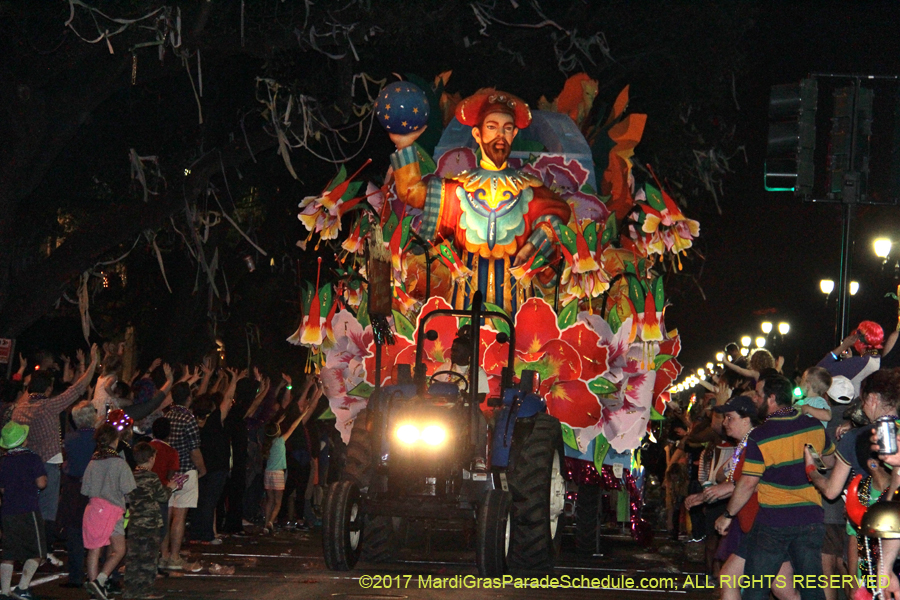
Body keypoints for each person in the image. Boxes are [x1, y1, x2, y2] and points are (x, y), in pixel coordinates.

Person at [389, 88, 571, 313]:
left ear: (514, 134)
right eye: (492, 127)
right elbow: (412, 193)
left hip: (518, 308)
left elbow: (557, 218)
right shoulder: (459, 188)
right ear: (477, 134)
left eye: (507, 129)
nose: (500, 135)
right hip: (463, 306)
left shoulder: (528, 188)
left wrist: (532, 246)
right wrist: (404, 146)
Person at [715, 372, 834, 600]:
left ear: (771, 398)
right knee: (811, 588)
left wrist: (728, 514)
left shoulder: (761, 434)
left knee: (756, 589)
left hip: (773, 523)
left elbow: (748, 483)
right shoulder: (814, 426)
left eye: (759, 395)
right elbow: (828, 462)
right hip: (810, 519)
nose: (756, 400)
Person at [12, 344, 99, 557]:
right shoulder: (48, 406)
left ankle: (27, 547)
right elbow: (77, 389)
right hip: (48, 463)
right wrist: (93, 364)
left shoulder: (20, 408)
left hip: (25, 463)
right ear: (49, 389)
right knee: (48, 509)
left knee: (28, 507)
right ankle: (44, 549)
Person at [81, 423, 136, 600]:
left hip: (94, 509)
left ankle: (93, 587)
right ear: (115, 440)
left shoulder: (92, 462)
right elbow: (129, 490)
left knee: (94, 549)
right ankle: (100, 580)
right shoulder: (120, 464)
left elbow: (85, 490)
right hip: (113, 510)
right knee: (119, 549)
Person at [262, 379, 322, 533]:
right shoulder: (292, 425)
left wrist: (314, 388)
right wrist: (314, 387)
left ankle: (273, 520)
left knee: (282, 494)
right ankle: (286, 520)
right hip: (297, 460)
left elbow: (300, 403)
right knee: (294, 492)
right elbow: (307, 405)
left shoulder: (277, 431)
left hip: (283, 465)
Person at [159, 382, 205, 570]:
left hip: (168, 472)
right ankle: (175, 557)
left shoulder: (166, 416)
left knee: (166, 514)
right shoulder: (189, 419)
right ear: (189, 398)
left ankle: (163, 555)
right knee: (180, 515)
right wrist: (202, 469)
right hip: (186, 470)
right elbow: (194, 449)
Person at [0, 421, 48, 600]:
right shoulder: (32, 458)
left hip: (8, 510)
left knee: (9, 551)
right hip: (29, 509)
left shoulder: (4, 461)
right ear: (24, 440)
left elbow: (3, 489)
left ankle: (4, 591)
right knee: (37, 552)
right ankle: (22, 587)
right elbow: (42, 483)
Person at [126, 442, 179, 600]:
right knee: (148, 558)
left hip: (134, 522)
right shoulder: (152, 477)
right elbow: (162, 496)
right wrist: (171, 487)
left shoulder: (131, 475)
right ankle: (145, 590)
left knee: (134, 557)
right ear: (150, 458)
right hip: (150, 523)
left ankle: (130, 590)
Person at [60, 401, 98, 588]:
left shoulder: (70, 438)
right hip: (94, 488)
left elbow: (67, 463)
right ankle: (96, 572)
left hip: (73, 487)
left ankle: (75, 575)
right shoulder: (99, 440)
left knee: (74, 532)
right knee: (96, 531)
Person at [817, 321, 883, 396]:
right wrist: (850, 361)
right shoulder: (876, 360)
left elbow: (818, 372)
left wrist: (843, 347)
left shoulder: (860, 362)